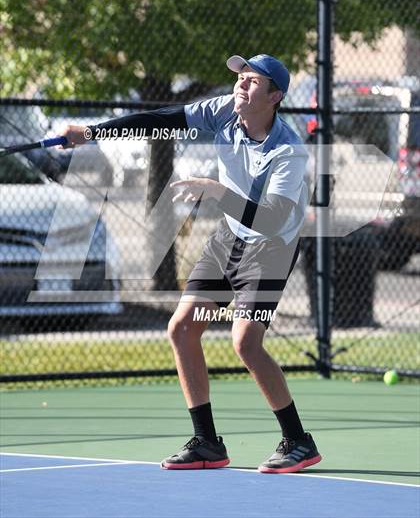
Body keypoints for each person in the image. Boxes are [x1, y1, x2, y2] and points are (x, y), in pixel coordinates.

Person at [63, 54, 322, 474]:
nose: (241, 84)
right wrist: (93, 132)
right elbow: (160, 118)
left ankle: (298, 441)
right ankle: (207, 443)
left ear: (275, 96)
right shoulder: (223, 111)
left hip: (270, 248)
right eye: (241, 76)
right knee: (183, 329)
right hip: (229, 238)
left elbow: (272, 217)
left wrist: (216, 192)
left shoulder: (288, 151)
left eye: (254, 81)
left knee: (246, 343)